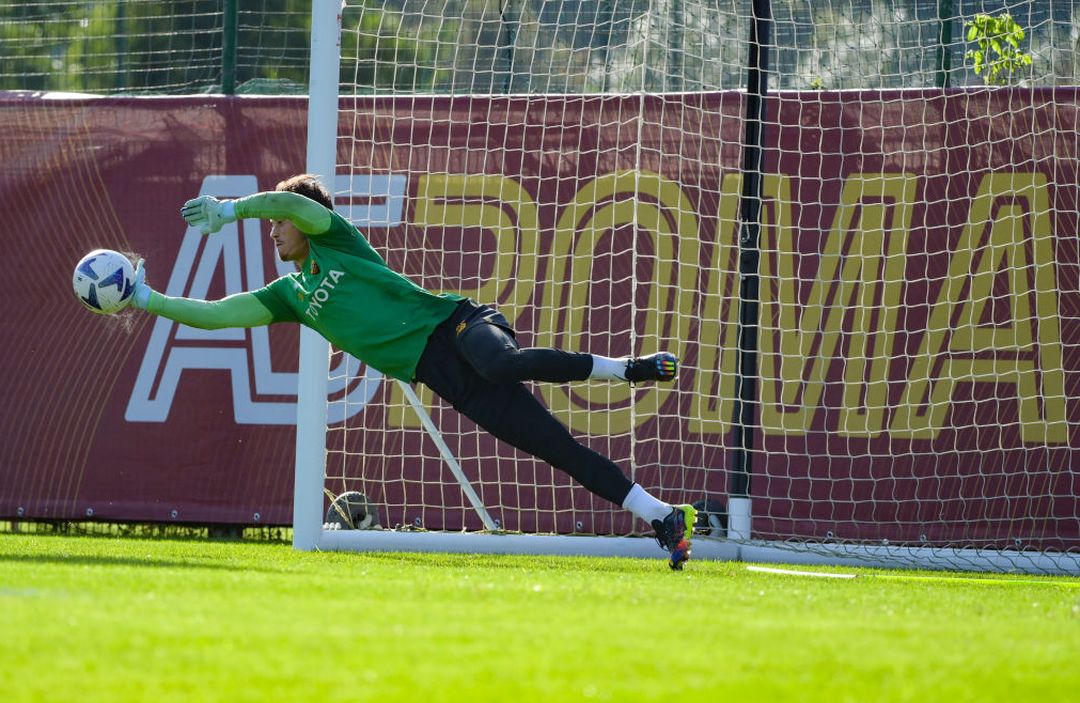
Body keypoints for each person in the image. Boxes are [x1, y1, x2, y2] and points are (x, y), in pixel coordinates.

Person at [129, 174, 697, 569]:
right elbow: (216, 315)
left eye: (278, 221)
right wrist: (147, 299)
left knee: (502, 362)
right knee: (553, 448)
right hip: (441, 375)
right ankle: (664, 517)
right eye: (271, 223)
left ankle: (625, 368)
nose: (274, 230)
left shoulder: (336, 238)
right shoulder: (291, 295)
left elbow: (301, 208)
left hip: (457, 325)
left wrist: (231, 210)